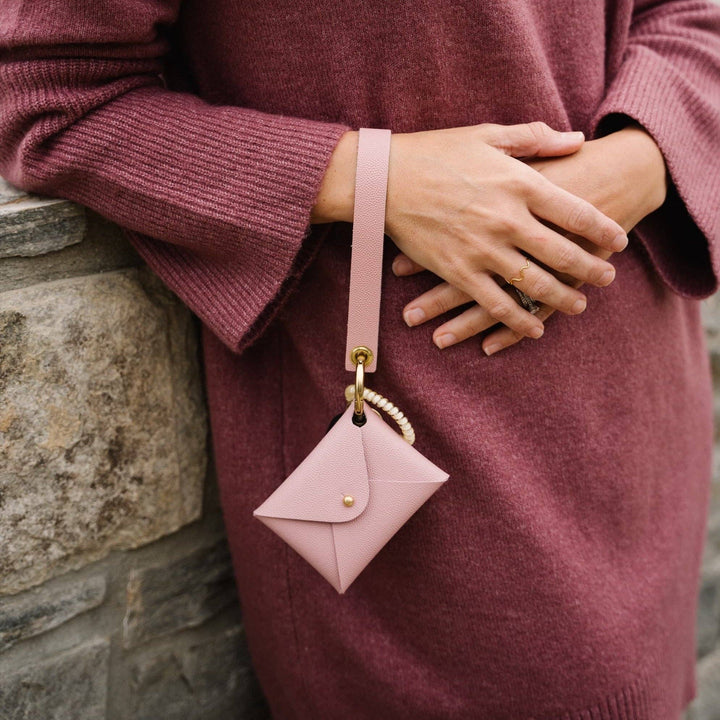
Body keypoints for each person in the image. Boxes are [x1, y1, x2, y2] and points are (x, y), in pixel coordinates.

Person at [1, 1, 718, 718]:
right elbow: (47, 97)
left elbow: (690, 15)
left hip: (636, 424)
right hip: (424, 480)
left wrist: (641, 161)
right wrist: (374, 177)